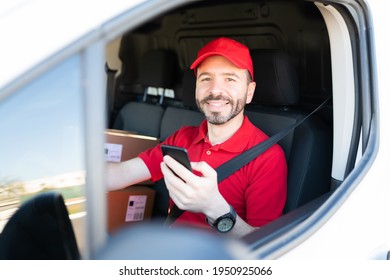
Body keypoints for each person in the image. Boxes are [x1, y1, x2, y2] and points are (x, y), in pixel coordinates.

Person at [107, 37, 287, 238]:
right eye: (206, 78)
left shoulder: (267, 157)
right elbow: (122, 173)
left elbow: (263, 244)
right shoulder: (182, 138)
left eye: (230, 79)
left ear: (249, 92)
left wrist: (215, 208)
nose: (215, 90)